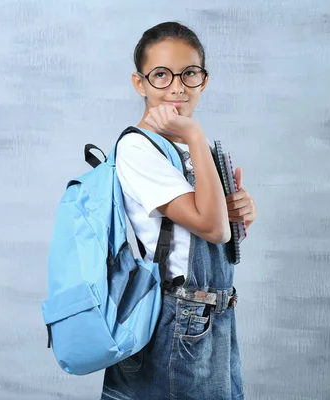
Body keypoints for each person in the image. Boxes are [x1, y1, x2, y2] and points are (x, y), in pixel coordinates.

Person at [100, 21, 256, 400]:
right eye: (161, 75)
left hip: (213, 317)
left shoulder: (183, 148)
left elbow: (217, 228)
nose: (177, 86)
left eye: (189, 73)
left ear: (203, 79)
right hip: (177, 322)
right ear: (140, 83)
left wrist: (238, 211)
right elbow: (211, 228)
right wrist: (196, 134)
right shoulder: (138, 149)